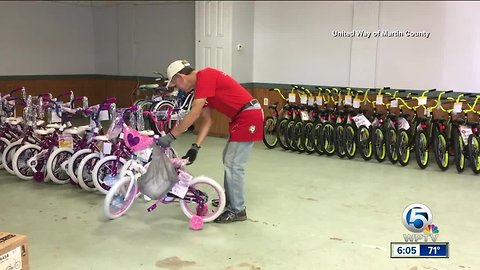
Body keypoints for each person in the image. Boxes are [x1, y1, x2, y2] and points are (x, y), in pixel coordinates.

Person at [156, 60, 264, 223]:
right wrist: (195, 147)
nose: (176, 87)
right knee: (228, 159)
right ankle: (231, 201)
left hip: (249, 115)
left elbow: (194, 114)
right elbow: (207, 120)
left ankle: (238, 209)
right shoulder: (201, 89)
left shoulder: (205, 75)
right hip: (240, 117)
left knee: (234, 163)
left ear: (180, 77)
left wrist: (171, 136)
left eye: (175, 83)